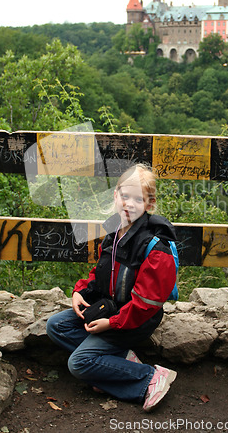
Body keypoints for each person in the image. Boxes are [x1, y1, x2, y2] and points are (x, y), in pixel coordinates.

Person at [46, 163, 177, 412]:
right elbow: (101, 274)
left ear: (149, 203)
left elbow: (146, 304)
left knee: (79, 364)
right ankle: (119, 362)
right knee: (56, 326)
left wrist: (112, 323)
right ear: (115, 196)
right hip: (112, 309)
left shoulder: (155, 248)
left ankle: (149, 378)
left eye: (138, 199)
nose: (128, 204)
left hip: (135, 319)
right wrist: (80, 292)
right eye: (124, 196)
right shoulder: (115, 233)